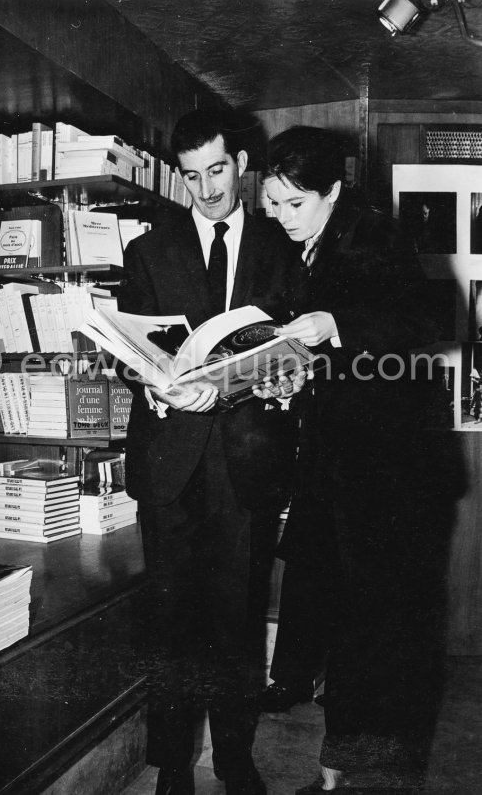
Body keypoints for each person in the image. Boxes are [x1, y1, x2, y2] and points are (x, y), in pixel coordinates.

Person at [255, 126, 461, 793]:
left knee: (381, 632)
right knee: (352, 626)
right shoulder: (310, 248)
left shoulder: (375, 233)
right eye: (273, 207)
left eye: (294, 204)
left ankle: (368, 774)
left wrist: (334, 326)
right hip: (342, 469)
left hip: (390, 477)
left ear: (334, 190)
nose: (282, 220)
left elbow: (430, 324)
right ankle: (344, 769)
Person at [117, 109, 299, 795]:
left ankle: (232, 758)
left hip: (246, 464)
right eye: (192, 177)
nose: (207, 189)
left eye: (217, 171)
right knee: (170, 620)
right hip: (170, 461)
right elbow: (127, 350)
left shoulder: (281, 251)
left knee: (238, 619)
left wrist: (285, 379)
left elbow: (299, 352)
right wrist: (156, 387)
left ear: (242, 166)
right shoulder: (148, 251)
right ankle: (170, 766)